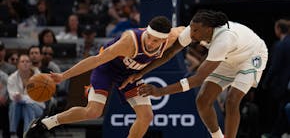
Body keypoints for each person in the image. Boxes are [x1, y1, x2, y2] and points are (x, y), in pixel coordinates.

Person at [24, 16, 185, 138]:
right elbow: (96, 60)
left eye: (155, 40)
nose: (150, 42)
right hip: (106, 69)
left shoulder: (171, 37)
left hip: (129, 75)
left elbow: (189, 29)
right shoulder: (130, 41)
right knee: (93, 112)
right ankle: (47, 123)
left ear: (164, 39)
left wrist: (207, 42)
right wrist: (63, 75)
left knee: (147, 116)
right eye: (149, 37)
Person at [123, 10, 268, 138]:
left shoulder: (224, 40)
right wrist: (142, 72)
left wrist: (161, 91)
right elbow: (170, 53)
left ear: (208, 29)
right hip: (228, 58)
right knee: (203, 100)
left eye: (195, 31)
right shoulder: (193, 30)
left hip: (252, 56)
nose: (191, 34)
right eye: (191, 29)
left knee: (232, 100)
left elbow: (198, 79)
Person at [7, 54, 45, 136]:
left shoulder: (39, 77)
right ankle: (13, 133)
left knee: (28, 105)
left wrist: (22, 98)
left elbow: (37, 98)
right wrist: (21, 99)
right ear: (18, 65)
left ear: (31, 64)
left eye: (27, 61)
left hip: (37, 107)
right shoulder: (11, 78)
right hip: (18, 108)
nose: (25, 63)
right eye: (22, 61)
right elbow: (12, 96)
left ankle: (26, 134)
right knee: (14, 104)